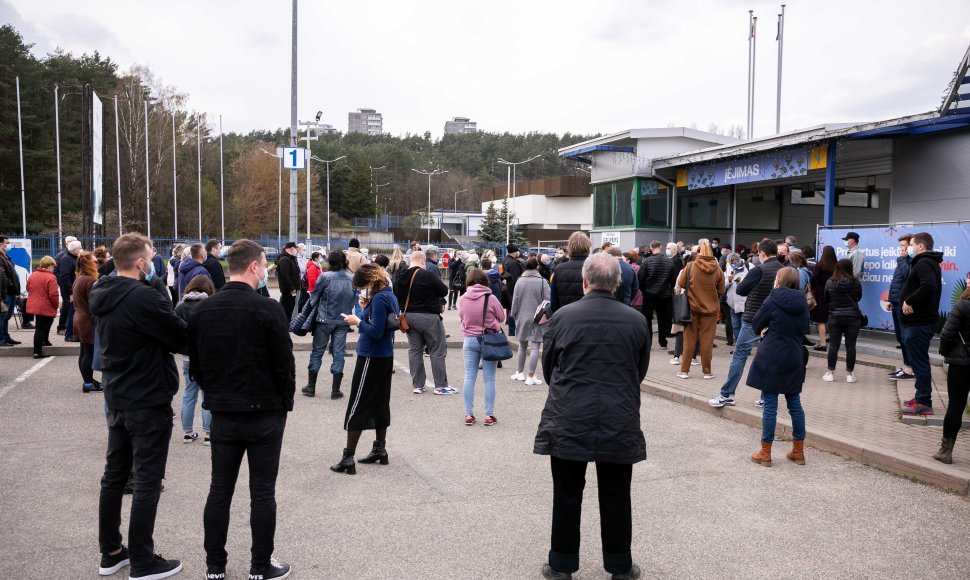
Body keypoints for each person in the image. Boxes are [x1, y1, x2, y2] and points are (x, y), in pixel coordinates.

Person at [535, 252, 649, 580]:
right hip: (619, 416)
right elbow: (637, 371)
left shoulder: (563, 318)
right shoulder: (636, 320)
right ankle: (620, 566)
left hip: (569, 416)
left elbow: (549, 368)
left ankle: (561, 565)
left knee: (567, 495)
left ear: (585, 281)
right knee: (616, 496)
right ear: (617, 283)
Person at [187, 239, 295, 580]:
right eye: (264, 264)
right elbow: (284, 364)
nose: (266, 271)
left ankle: (215, 566)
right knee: (262, 492)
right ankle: (260, 566)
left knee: (220, 490)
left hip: (224, 413)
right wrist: (284, 404)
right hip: (263, 412)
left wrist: (214, 395)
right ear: (253, 267)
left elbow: (197, 366)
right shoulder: (268, 308)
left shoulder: (205, 309)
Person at [90, 232, 187, 580]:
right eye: (151, 255)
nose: (154, 260)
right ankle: (143, 561)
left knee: (114, 476)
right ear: (141, 262)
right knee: (147, 479)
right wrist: (160, 292)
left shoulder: (102, 290)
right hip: (147, 396)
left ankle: (112, 551)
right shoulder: (143, 296)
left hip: (117, 393)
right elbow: (181, 336)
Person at [330, 263, 400, 475]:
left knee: (358, 404)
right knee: (380, 402)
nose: (363, 289)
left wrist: (357, 320)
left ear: (370, 281)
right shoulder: (388, 294)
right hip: (385, 356)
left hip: (371, 356)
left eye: (363, 286)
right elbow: (385, 323)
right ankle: (380, 449)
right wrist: (366, 305)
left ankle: (348, 457)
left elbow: (375, 331)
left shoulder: (379, 299)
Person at [710, 239, 784, 409]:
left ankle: (727, 394)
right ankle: (766, 398)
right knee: (768, 358)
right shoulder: (784, 270)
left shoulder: (758, 270)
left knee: (740, 355)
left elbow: (742, 289)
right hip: (775, 320)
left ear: (762, 254)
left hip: (753, 318)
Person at [747, 268, 809, 467]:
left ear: (779, 280)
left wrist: (768, 329)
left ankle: (765, 453)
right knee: (795, 405)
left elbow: (756, 324)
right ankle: (798, 451)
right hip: (794, 354)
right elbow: (804, 327)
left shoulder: (772, 299)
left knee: (770, 406)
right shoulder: (802, 301)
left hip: (772, 354)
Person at [395, 250, 453, 395]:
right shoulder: (427, 274)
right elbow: (444, 290)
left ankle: (418, 385)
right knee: (437, 349)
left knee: (415, 350)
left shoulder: (401, 277)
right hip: (429, 317)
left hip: (409, 317)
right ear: (422, 261)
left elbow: (396, 294)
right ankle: (440, 386)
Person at [900, 232, 943, 416]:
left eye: (911, 244)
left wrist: (909, 301)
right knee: (919, 362)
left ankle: (924, 401)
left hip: (920, 322)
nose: (908, 247)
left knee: (919, 363)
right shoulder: (925, 261)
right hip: (918, 321)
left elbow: (929, 286)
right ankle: (920, 396)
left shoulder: (924, 262)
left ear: (920, 246)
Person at [302, 250, 356, 399]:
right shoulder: (352, 279)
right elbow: (353, 300)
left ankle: (311, 387)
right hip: (343, 320)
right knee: (338, 353)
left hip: (324, 319)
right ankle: (335, 390)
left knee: (317, 352)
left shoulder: (324, 277)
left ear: (330, 262)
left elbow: (313, 299)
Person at [458, 269, 506, 426]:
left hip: (469, 340)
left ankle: (468, 415)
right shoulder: (490, 298)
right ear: (485, 281)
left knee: (469, 377)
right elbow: (502, 317)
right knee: (489, 378)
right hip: (488, 340)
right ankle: (489, 415)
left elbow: (462, 317)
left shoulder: (463, 298)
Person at [675, 242, 724, 379]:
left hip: (692, 307)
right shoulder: (717, 269)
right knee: (707, 341)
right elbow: (721, 289)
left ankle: (684, 371)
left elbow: (680, 283)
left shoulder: (691, 265)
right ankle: (707, 372)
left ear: (699, 253)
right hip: (711, 309)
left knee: (689, 340)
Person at [175, 275, 215, 445]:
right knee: (207, 394)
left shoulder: (180, 306)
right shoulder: (210, 305)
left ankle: (187, 431)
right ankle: (209, 432)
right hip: (207, 355)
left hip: (188, 356)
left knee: (188, 394)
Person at [934, 286, 970, 464]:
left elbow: (946, 334)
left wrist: (945, 352)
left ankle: (946, 451)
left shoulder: (962, 306)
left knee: (956, 406)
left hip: (961, 364)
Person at [510, 257, 549, 385]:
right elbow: (548, 301)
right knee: (535, 347)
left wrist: (514, 315)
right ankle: (530, 376)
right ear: (537, 267)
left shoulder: (519, 281)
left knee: (522, 346)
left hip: (522, 316)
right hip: (538, 318)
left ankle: (519, 372)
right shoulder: (543, 282)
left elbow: (514, 300)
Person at [823, 259, 863, 383]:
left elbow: (826, 299)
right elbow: (858, 297)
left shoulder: (830, 282)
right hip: (853, 318)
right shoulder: (855, 282)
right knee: (851, 346)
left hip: (834, 317)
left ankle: (830, 373)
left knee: (834, 345)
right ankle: (849, 375)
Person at [73, 251, 102, 392]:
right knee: (88, 352)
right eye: (95, 262)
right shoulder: (89, 280)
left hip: (79, 317)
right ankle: (88, 383)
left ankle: (88, 380)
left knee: (84, 351)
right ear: (89, 264)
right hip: (87, 319)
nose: (97, 264)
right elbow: (94, 302)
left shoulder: (80, 278)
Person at [888, 235, 914, 379]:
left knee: (905, 338)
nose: (901, 248)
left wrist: (902, 259)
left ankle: (910, 368)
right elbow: (897, 282)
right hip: (897, 302)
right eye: (900, 246)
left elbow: (908, 276)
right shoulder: (903, 260)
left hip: (904, 304)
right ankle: (906, 366)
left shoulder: (910, 260)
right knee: (900, 338)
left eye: (903, 245)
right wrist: (891, 299)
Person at [640, 241, 675, 350]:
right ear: (661, 247)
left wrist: (644, 290)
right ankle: (663, 341)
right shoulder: (669, 262)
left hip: (649, 295)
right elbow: (673, 280)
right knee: (663, 319)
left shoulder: (647, 262)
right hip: (665, 295)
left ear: (651, 248)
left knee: (647, 319)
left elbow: (641, 279)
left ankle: (648, 342)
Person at [25, 255, 59, 358]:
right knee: (40, 328)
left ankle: (45, 340)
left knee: (44, 324)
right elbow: (53, 294)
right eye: (53, 266)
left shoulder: (33, 275)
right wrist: (56, 305)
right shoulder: (51, 277)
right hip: (46, 305)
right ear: (49, 266)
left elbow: (28, 288)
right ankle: (37, 351)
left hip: (35, 305)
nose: (53, 269)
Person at [549, 231, 591, 313]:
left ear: (570, 247)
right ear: (587, 247)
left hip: (565, 317)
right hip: (588, 317)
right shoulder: (594, 268)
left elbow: (554, 303)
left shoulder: (559, 269)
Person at [809, 246, 837, 352]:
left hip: (820, 293)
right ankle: (834, 341)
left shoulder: (820, 265)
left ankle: (823, 343)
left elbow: (814, 279)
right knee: (829, 318)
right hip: (833, 293)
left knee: (820, 320)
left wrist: (811, 288)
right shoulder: (837, 265)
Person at [57, 239, 82, 341]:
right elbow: (65, 277)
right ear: (74, 250)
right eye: (79, 248)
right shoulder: (67, 259)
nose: (81, 249)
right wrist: (70, 293)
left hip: (74, 289)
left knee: (74, 312)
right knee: (71, 313)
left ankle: (73, 333)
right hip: (71, 291)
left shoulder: (74, 258)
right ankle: (69, 335)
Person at [723, 253, 748, 345]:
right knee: (735, 326)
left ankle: (744, 347)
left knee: (744, 326)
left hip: (745, 301)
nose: (733, 264)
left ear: (739, 260)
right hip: (732, 302)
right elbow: (723, 286)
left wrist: (738, 281)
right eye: (731, 263)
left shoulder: (748, 267)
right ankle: (738, 346)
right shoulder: (729, 268)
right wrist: (728, 280)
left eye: (734, 262)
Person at [276, 242, 301, 322]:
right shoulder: (285, 259)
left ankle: (286, 324)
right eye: (295, 248)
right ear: (291, 248)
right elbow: (285, 275)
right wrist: (291, 288)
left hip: (292, 289)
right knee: (286, 309)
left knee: (289, 308)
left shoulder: (290, 258)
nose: (296, 250)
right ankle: (285, 325)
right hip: (288, 290)